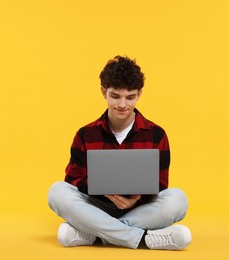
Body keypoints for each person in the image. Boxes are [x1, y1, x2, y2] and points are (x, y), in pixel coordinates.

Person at [48, 55, 192, 250]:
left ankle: (93, 234)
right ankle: (141, 239)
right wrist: (105, 192)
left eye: (130, 97)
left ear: (139, 94)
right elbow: (73, 180)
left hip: (139, 208)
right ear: (103, 92)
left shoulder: (156, 134)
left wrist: (135, 199)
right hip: (96, 206)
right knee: (57, 192)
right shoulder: (85, 134)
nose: (122, 104)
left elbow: (160, 184)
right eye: (115, 96)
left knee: (178, 199)